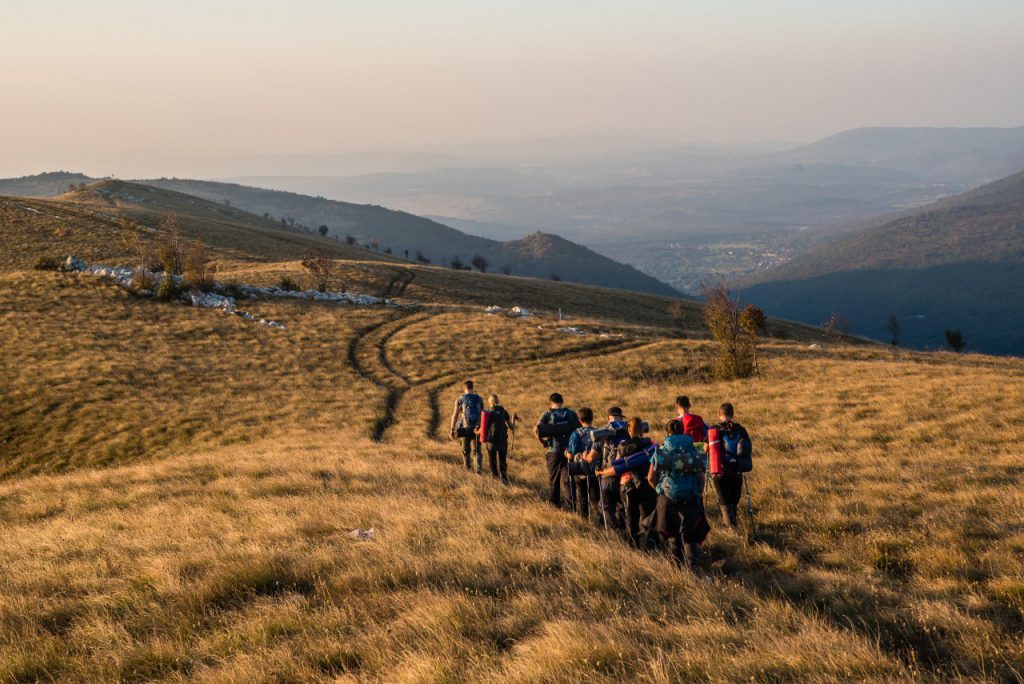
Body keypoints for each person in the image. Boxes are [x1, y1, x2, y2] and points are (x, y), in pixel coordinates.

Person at [649, 419, 710, 568]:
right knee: (690, 536)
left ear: (667, 433)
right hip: (690, 497)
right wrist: (699, 491)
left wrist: (659, 489)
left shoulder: (662, 451)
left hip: (669, 498)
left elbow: (650, 477)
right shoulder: (693, 449)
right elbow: (701, 476)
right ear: (683, 431)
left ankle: (677, 570)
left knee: (674, 536)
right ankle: (693, 568)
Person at [596, 416, 657, 549]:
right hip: (647, 484)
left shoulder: (623, 446)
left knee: (631, 520)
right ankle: (651, 546)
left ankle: (633, 546)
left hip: (628, 486)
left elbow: (616, 467)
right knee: (648, 519)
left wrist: (601, 473)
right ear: (643, 428)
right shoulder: (650, 443)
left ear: (629, 429)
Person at [709, 402, 752, 530]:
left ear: (719, 414)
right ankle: (733, 526)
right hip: (737, 471)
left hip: (720, 471)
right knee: (733, 500)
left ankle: (732, 529)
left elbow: (707, 448)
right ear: (732, 414)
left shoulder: (714, 429)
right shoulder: (741, 429)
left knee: (725, 501)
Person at [534, 393, 581, 509]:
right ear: (562, 401)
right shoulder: (571, 413)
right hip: (569, 452)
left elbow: (536, 430)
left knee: (553, 479)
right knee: (569, 479)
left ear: (551, 403)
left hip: (553, 451)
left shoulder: (547, 414)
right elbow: (579, 430)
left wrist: (543, 443)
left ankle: (554, 506)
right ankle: (571, 506)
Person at [566, 407, 602, 524]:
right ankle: (602, 520)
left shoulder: (576, 434)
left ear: (579, 420)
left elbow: (571, 455)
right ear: (592, 418)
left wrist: (566, 453)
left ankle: (584, 523)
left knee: (582, 499)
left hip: (580, 470)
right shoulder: (599, 433)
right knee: (596, 498)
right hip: (596, 470)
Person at [477, 394, 515, 485]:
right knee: (502, 460)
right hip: (502, 441)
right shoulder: (504, 411)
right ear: (497, 401)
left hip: (491, 442)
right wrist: (514, 419)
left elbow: (482, 429)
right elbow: (512, 427)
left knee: (492, 460)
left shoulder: (488, 413)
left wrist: (476, 431)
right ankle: (504, 478)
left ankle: (495, 477)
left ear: (490, 402)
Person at [449, 380, 485, 473]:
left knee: (465, 451)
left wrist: (452, 429)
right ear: (472, 388)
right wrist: (482, 428)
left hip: (464, 428)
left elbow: (455, 415)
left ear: (464, 388)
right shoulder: (479, 399)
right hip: (477, 429)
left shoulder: (460, 399)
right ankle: (478, 470)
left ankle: (467, 470)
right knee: (477, 451)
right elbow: (483, 416)